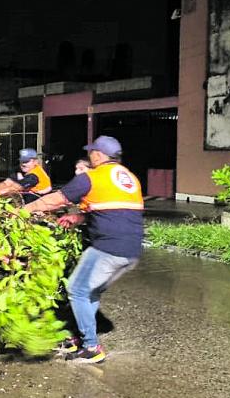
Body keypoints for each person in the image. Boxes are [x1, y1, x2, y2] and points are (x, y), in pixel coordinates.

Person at [24, 135, 143, 364]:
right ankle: (81, 337)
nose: (89, 156)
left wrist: (22, 212)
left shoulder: (92, 177)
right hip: (131, 252)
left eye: (91, 152)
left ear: (98, 155)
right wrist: (77, 217)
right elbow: (114, 210)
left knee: (77, 289)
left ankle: (91, 347)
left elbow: (54, 200)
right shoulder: (129, 178)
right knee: (90, 292)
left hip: (109, 248)